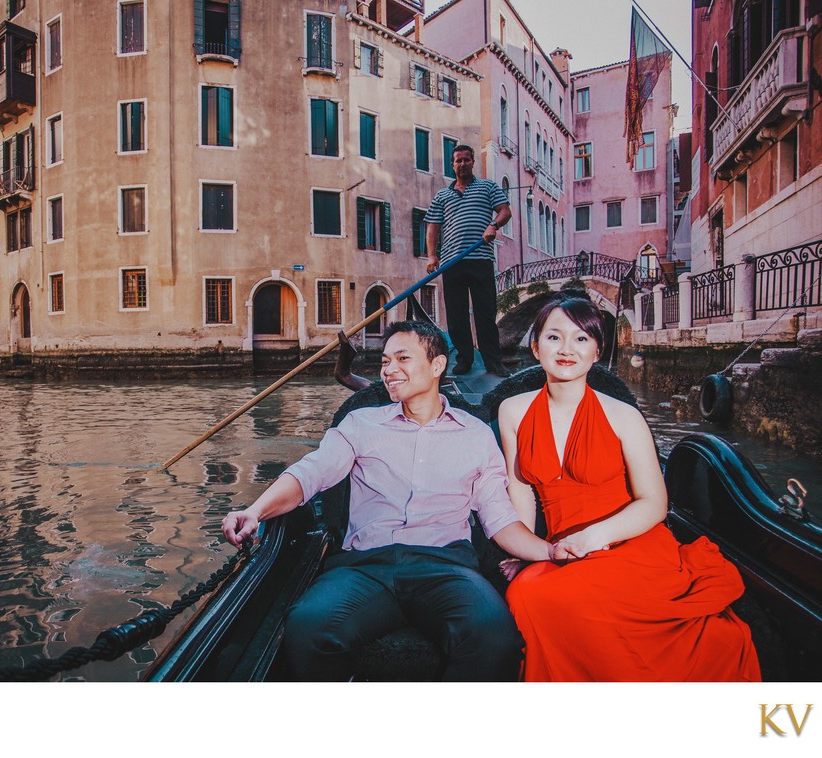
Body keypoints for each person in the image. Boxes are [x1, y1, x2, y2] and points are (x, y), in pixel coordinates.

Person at [222, 320, 561, 681]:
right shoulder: (360, 424)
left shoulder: (476, 435)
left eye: (402, 358)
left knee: (495, 637)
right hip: (364, 568)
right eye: (384, 361)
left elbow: (500, 518)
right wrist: (256, 510)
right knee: (309, 626)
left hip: (445, 567)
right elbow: (311, 473)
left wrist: (551, 551)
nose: (389, 370)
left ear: (437, 366)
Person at [497, 291, 761, 681]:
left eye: (581, 338)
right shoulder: (512, 410)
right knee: (526, 592)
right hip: (562, 549)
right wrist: (529, 551)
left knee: (543, 595)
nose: (567, 348)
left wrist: (593, 537)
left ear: (597, 351)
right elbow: (521, 490)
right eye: (554, 337)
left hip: (628, 542)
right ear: (535, 348)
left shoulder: (623, 415)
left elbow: (654, 502)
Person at [425, 144, 512, 377]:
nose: (462, 164)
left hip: (480, 259)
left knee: (485, 312)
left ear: (473, 162)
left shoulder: (488, 187)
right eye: (458, 161)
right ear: (452, 165)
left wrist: (493, 225)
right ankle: (464, 359)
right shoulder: (442, 195)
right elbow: (433, 227)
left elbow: (505, 211)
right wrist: (433, 255)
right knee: (457, 315)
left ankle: (493, 362)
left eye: (466, 160)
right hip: (452, 262)